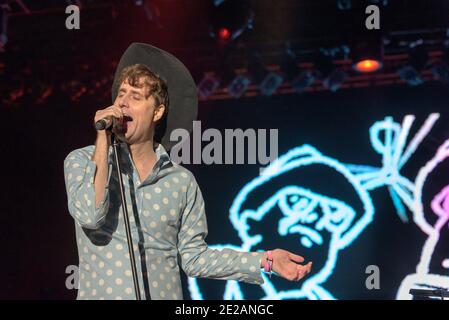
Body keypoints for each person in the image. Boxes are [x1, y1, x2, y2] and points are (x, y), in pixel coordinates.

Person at [63, 43, 312, 300]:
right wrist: (102, 137)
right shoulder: (81, 161)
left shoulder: (180, 181)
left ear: (157, 111)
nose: (123, 103)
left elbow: (195, 258)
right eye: (121, 94)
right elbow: (90, 216)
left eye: (135, 96)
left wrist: (265, 260)